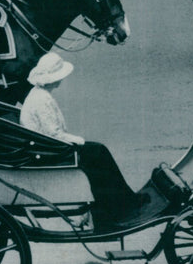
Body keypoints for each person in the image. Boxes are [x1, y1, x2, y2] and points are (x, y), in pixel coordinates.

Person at [19, 53, 146, 228]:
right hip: (50, 148)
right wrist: (78, 140)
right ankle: (116, 207)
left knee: (98, 151)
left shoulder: (38, 94)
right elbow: (53, 133)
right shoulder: (42, 100)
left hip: (46, 145)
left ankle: (122, 201)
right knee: (98, 153)